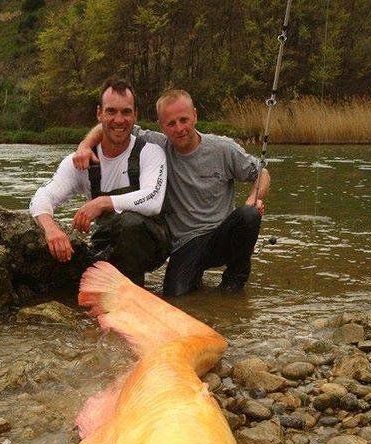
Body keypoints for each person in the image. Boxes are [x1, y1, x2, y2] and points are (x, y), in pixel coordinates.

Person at [74, 88, 270, 296]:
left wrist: (253, 199)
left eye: (184, 120)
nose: (179, 128)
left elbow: (262, 173)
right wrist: (85, 146)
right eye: (171, 123)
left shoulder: (223, 148)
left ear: (195, 115)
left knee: (248, 215)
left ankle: (234, 281)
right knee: (175, 298)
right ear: (162, 126)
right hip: (185, 244)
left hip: (221, 235)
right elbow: (113, 124)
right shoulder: (157, 145)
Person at [30, 78, 170, 285]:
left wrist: (102, 202)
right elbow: (42, 197)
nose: (119, 120)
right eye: (111, 111)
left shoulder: (150, 152)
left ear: (135, 115)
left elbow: (153, 200)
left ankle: (132, 294)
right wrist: (51, 229)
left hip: (151, 247)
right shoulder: (80, 160)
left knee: (130, 223)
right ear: (99, 113)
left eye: (126, 112)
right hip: (106, 244)